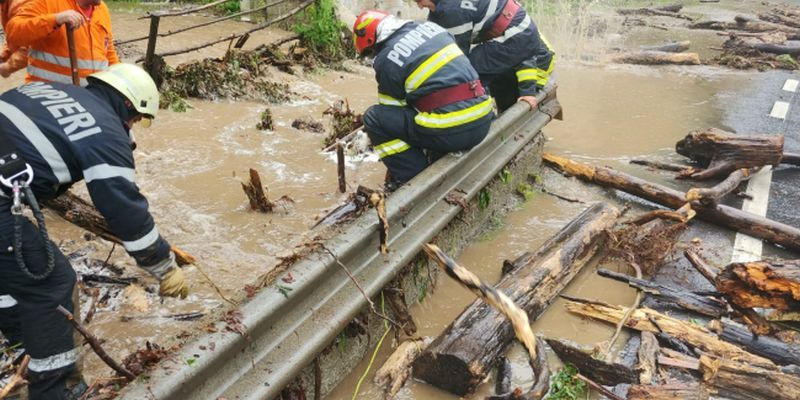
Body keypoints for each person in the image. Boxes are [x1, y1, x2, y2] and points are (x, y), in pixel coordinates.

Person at [0, 63, 188, 400]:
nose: (133, 128)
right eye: (137, 120)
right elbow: (124, 210)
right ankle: (58, 390)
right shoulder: (105, 134)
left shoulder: (50, 90)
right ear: (128, 105)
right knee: (53, 284)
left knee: (12, 273)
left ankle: (21, 349)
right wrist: (163, 267)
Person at [353, 10, 494, 187]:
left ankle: (410, 177)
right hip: (483, 120)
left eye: (369, 53)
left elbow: (391, 112)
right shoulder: (430, 27)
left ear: (372, 42)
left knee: (374, 118)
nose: (372, 57)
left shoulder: (387, 59)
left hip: (456, 132)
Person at [415, 0, 554, 112]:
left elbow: (457, 57)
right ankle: (491, 112)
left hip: (525, 49)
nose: (420, 6)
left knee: (470, 72)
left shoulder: (452, 11)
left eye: (420, 0)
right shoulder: (442, 9)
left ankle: (482, 117)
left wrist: (528, 92)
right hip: (517, 38)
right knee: (479, 71)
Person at [5, 0, 118, 85]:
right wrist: (55, 19)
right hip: (47, 98)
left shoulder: (102, 9)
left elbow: (108, 52)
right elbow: (14, 33)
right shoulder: (47, 2)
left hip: (89, 99)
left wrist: (121, 80)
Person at [0, 0, 30, 78]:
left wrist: (8, 67)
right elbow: (14, 36)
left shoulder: (20, 5)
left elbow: (32, 45)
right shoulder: (6, 4)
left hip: (57, 69)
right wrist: (4, 56)